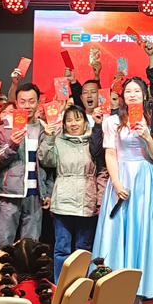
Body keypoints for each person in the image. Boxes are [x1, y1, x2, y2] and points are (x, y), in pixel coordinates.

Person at [93, 78, 153, 304]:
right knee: (117, 231)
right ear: (122, 96)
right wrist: (116, 183)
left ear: (145, 94)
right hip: (120, 176)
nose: (132, 94)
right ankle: (113, 288)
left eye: (137, 90)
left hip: (146, 179)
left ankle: (139, 291)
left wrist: (147, 137)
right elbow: (110, 154)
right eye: (128, 91)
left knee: (143, 232)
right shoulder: (112, 121)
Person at [38, 105, 104, 278]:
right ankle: (60, 286)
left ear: (85, 122)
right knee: (62, 248)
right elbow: (46, 160)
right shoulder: (58, 141)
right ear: (64, 124)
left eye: (77, 119)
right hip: (63, 202)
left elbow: (102, 172)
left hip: (87, 201)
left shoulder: (93, 142)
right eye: (69, 120)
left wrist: (99, 200)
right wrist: (49, 138)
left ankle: (80, 285)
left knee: (84, 249)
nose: (73, 124)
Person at [0, 84, 47, 246]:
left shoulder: (44, 129)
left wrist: (47, 191)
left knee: (31, 245)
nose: (27, 106)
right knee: (4, 242)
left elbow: (49, 165)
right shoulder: (5, 129)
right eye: (22, 101)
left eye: (31, 101)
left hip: (35, 194)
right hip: (10, 194)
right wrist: (12, 145)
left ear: (38, 103)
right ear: (16, 103)